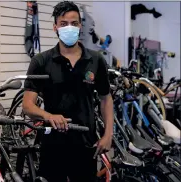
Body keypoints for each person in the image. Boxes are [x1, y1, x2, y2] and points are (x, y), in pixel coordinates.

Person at [22, 1, 114, 182]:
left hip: (86, 145)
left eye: (74, 23)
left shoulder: (95, 60)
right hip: (52, 146)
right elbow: (27, 106)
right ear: (55, 27)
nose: (69, 28)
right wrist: (49, 116)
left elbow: (106, 99)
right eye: (63, 24)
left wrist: (108, 135)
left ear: (80, 26)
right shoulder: (41, 61)